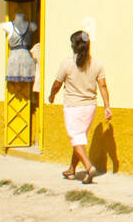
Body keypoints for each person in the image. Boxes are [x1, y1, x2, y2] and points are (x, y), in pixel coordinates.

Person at [48, 30, 112, 184]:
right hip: (90, 107)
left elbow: (57, 83)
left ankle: (89, 168)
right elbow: (103, 86)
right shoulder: (97, 64)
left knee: (76, 138)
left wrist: (52, 95)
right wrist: (107, 107)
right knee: (79, 138)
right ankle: (71, 169)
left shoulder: (67, 63)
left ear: (74, 46)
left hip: (73, 107)